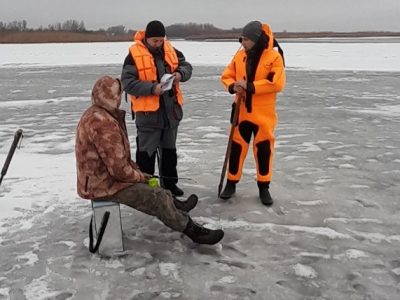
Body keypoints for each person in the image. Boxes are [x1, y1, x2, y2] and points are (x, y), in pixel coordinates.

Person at [75, 76, 224, 245]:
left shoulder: (97, 113)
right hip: (102, 185)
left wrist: (140, 174)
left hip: (100, 179)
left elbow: (117, 162)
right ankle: (192, 230)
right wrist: (139, 176)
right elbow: (118, 170)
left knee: (149, 178)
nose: (120, 97)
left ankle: (176, 205)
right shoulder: (102, 123)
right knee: (156, 196)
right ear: (110, 97)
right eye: (118, 94)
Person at [121, 20, 193, 197]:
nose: (159, 44)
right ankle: (146, 190)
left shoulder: (170, 50)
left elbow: (187, 66)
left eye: (161, 40)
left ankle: (169, 185)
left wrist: (179, 74)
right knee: (146, 154)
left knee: (169, 151)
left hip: (171, 113)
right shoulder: (133, 55)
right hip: (148, 116)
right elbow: (127, 83)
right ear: (147, 39)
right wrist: (152, 88)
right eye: (155, 41)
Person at [220, 21, 286, 206]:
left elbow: (276, 83)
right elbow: (226, 75)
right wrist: (233, 86)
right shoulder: (239, 56)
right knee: (236, 149)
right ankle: (231, 183)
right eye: (241, 38)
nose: (242, 42)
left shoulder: (274, 57)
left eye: (246, 39)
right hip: (241, 112)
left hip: (263, 115)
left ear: (256, 40)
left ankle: (264, 187)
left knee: (264, 151)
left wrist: (250, 87)